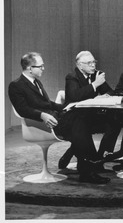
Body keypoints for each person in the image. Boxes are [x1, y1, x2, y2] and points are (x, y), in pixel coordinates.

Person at [8, 52, 110, 184]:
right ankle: (89, 166)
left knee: (83, 120)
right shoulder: (16, 85)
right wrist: (42, 115)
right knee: (81, 122)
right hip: (43, 124)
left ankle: (87, 167)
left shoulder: (36, 82)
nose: (43, 68)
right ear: (29, 68)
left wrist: (66, 107)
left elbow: (48, 104)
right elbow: (22, 109)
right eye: (40, 66)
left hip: (56, 118)